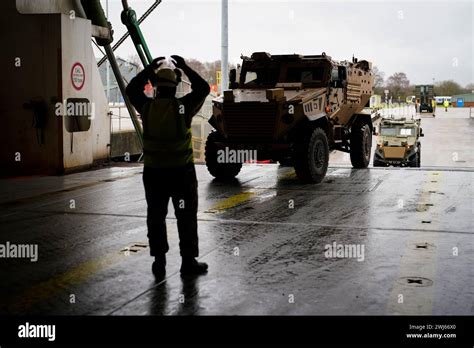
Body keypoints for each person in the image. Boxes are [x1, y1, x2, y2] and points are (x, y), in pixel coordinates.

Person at [126, 55, 210, 278]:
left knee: (156, 216)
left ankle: (159, 261)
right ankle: (188, 262)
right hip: (181, 173)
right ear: (175, 87)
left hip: (154, 174)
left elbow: (131, 89)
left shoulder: (146, 108)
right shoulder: (183, 108)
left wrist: (148, 70)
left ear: (155, 87)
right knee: (186, 216)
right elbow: (202, 88)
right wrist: (183, 66)